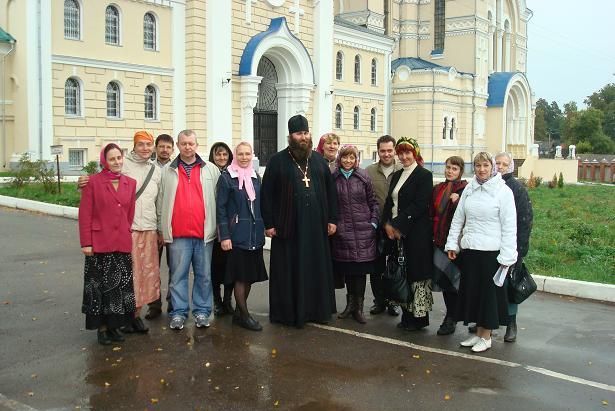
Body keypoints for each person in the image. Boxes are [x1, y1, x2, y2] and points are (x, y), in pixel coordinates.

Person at [261, 114, 338, 328]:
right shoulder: (277, 161)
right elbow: (266, 194)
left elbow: (331, 193)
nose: (303, 137)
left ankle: (316, 310)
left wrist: (332, 219)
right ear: (290, 136)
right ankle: (289, 312)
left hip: (316, 226)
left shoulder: (319, 161)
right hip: (288, 227)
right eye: (298, 133)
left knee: (315, 267)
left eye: (305, 133)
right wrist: (269, 223)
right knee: (290, 269)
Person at [445, 152, 517, 353]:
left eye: (486, 165)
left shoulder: (503, 192)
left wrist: (507, 257)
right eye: (478, 165)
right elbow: (458, 219)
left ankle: (486, 337)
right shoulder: (470, 188)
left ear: (493, 167)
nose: (482, 169)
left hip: (491, 254)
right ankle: (478, 334)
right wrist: (453, 244)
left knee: (488, 297)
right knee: (474, 294)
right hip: (471, 251)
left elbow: (510, 226)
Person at [157, 130, 220, 330]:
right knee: (177, 276)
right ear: (178, 145)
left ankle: (202, 312)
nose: (187, 147)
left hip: (204, 234)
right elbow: (160, 201)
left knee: (204, 276)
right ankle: (179, 313)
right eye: (183, 143)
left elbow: (219, 200)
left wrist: (219, 227)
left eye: (191, 143)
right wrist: (161, 228)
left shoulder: (210, 169)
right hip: (178, 234)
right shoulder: (167, 170)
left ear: (196, 144)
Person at [78, 143, 137, 345]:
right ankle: (102, 329)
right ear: (104, 161)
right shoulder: (92, 182)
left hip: (121, 242)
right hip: (99, 244)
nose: (116, 162)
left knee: (119, 287)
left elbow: (129, 214)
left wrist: (123, 230)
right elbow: (85, 214)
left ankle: (114, 325)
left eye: (119, 158)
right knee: (100, 288)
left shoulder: (130, 182)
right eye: (112, 159)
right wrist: (86, 243)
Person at [382, 137, 434, 331]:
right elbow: (390, 202)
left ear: (415, 154)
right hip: (395, 234)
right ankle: (406, 314)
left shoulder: (423, 175)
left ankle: (418, 318)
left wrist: (398, 226)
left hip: (415, 234)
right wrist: (387, 224)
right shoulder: (397, 175)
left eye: (408, 153)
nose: (404, 157)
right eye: (401, 153)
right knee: (402, 272)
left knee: (416, 274)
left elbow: (419, 205)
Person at [216, 142, 268, 331]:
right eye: (241, 154)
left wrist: (265, 226)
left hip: (254, 234)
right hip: (237, 235)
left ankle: (239, 312)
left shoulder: (256, 177)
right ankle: (245, 316)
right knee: (240, 277)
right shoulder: (227, 177)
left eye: (247, 154)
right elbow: (220, 208)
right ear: (235, 155)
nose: (244, 157)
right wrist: (224, 236)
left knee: (250, 277)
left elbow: (261, 204)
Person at [331, 145, 379, 324]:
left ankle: (358, 308)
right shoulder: (334, 178)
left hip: (363, 231)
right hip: (343, 232)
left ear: (356, 159)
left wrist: (373, 223)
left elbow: (373, 202)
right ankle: (349, 305)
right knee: (348, 270)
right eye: (345, 157)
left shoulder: (363, 176)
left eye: (352, 157)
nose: (348, 161)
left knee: (360, 272)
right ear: (340, 159)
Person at [495, 152, 533, 342]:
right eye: (497, 163)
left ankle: (511, 324)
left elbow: (525, 220)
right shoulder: (489, 185)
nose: (500, 167)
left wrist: (519, 249)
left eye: (504, 164)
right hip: (490, 245)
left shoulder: (516, 189)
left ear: (510, 167)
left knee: (509, 285)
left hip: (511, 247)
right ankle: (485, 322)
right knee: (490, 285)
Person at [430, 156, 467, 336]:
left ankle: (453, 317)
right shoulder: (438, 188)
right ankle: (450, 315)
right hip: (438, 240)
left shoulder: (465, 189)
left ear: (461, 171)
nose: (450, 171)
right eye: (448, 167)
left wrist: (459, 200)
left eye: (454, 168)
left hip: (456, 243)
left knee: (455, 281)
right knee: (445, 281)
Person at [366, 135, 402, 317]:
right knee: (376, 266)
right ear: (378, 151)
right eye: (382, 151)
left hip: (397, 228)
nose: (386, 154)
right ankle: (379, 301)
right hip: (376, 227)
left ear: (395, 150)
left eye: (389, 150)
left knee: (395, 266)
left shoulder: (404, 169)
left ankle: (393, 301)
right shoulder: (369, 171)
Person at [146, 133, 175, 319]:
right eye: (161, 146)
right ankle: (154, 305)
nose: (164, 150)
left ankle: (174, 302)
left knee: (175, 267)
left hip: (173, 227)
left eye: (168, 147)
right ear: (156, 148)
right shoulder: (148, 168)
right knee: (152, 268)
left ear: (173, 149)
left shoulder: (176, 168)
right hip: (152, 227)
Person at [208, 142, 235, 317]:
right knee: (215, 268)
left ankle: (227, 300)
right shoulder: (208, 172)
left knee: (230, 267)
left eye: (225, 154)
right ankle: (217, 301)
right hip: (212, 226)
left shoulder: (233, 173)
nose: (222, 158)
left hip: (229, 227)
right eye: (218, 154)